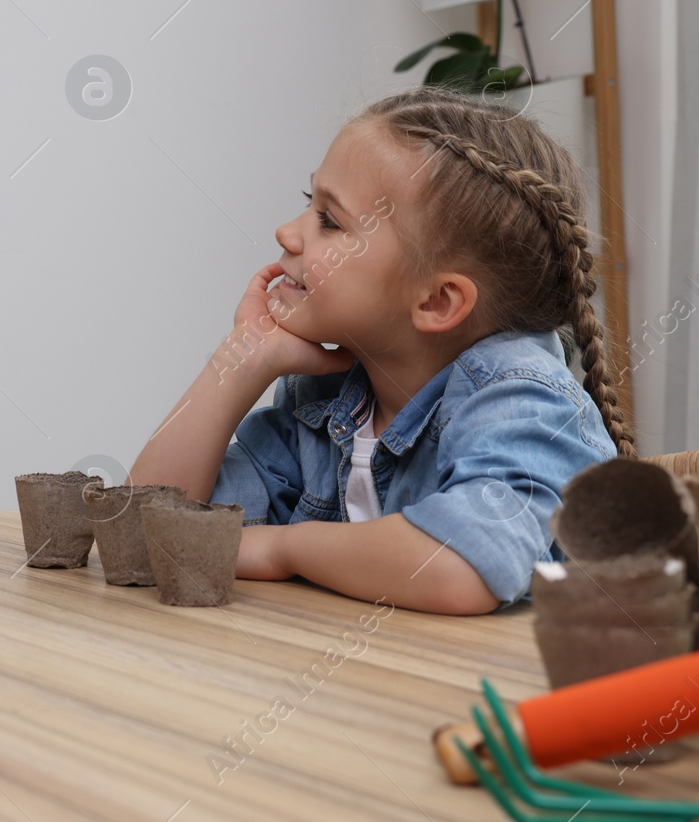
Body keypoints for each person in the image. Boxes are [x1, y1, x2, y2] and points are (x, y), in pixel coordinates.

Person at [129, 87, 630, 614]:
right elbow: (149, 524)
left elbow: (462, 568)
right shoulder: (325, 402)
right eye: (309, 203)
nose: (286, 232)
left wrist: (282, 549)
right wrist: (242, 359)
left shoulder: (523, 401)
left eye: (330, 220)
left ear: (437, 301)